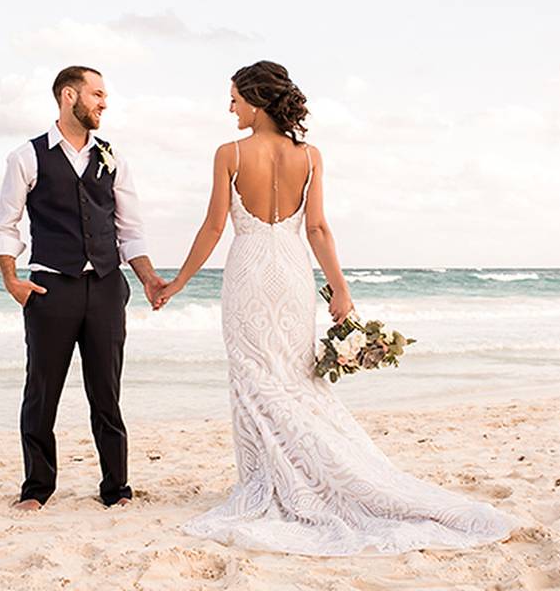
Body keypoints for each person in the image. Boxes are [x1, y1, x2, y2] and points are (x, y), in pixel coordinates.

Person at [153, 60, 514, 555]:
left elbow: (214, 228)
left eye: (234, 97)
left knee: (254, 377)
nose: (229, 106)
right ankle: (307, 470)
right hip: (294, 273)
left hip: (249, 272)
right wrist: (340, 288)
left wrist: (177, 283)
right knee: (297, 377)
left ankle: (269, 480)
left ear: (256, 101)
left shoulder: (229, 154)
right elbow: (318, 228)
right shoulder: (311, 155)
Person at [0, 66, 165, 510]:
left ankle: (116, 489)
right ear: (69, 96)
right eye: (97, 94)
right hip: (51, 289)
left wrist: (147, 279)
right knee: (41, 391)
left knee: (106, 392)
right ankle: (37, 489)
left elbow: (131, 230)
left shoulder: (113, 157)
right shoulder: (26, 157)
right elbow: (6, 224)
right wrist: (13, 280)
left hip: (106, 288)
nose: (104, 103)